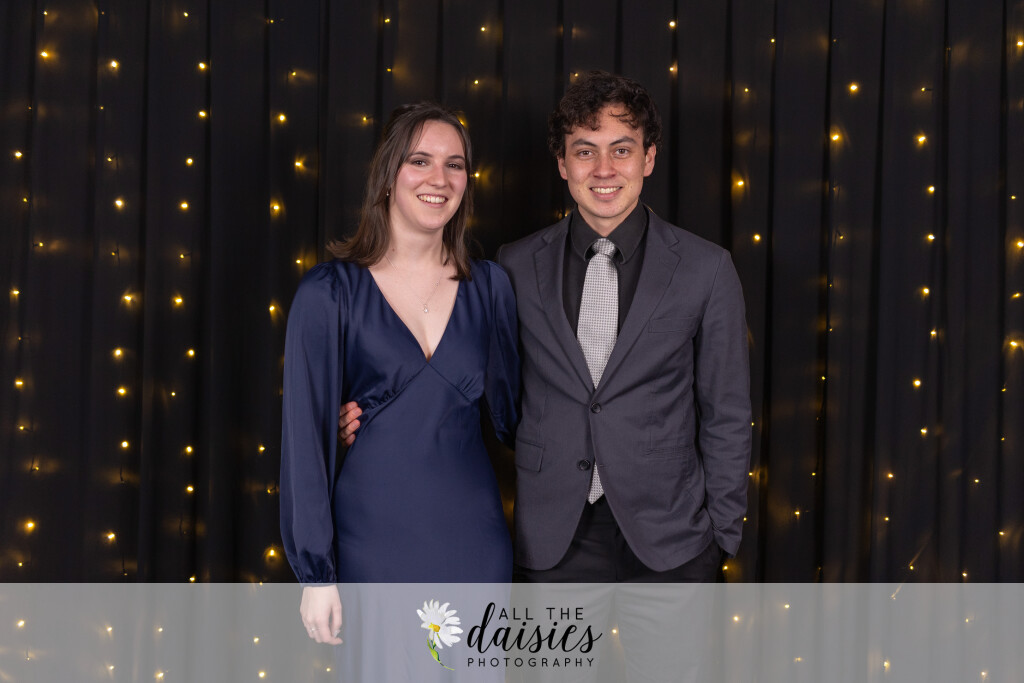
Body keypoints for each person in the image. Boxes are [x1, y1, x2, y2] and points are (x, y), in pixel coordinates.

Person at [279, 102, 519, 653]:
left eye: (455, 165)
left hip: (475, 543)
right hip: (373, 544)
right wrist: (316, 575)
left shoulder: (490, 288)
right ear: (388, 174)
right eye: (420, 161)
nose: (440, 179)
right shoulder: (329, 293)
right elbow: (304, 441)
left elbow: (520, 420)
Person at [495, 70, 751, 583]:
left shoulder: (707, 268)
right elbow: (494, 393)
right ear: (563, 163)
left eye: (622, 149)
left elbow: (726, 412)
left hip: (671, 538)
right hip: (551, 537)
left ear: (648, 158)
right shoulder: (514, 266)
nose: (604, 169)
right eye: (585, 151)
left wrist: (722, 535)